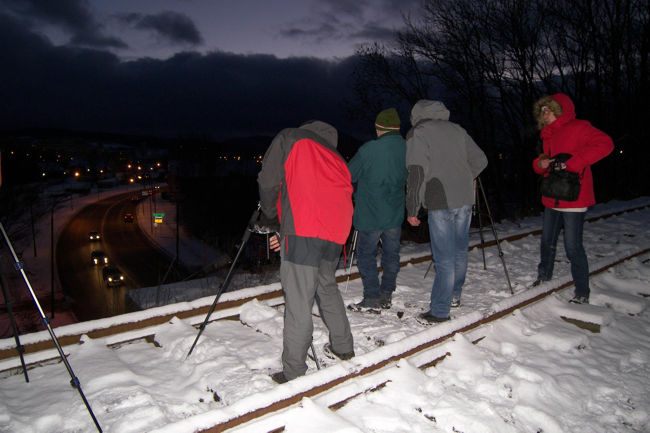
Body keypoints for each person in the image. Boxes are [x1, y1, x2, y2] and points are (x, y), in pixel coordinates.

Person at [257, 120, 355, 383]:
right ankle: (344, 347)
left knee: (299, 299)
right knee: (326, 286)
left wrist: (270, 218)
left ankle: (294, 371)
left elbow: (268, 180)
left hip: (304, 229)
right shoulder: (337, 158)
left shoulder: (291, 137)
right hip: (336, 231)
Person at [405, 99, 487, 323]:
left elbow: (417, 172)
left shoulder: (418, 133)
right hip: (464, 198)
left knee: (444, 258)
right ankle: (454, 296)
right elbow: (481, 159)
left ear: (416, 115)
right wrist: (462, 177)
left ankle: (440, 311)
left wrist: (413, 207)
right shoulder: (457, 129)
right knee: (459, 250)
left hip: (440, 199)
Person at [532, 93, 613, 304]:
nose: (545, 114)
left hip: (573, 197)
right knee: (547, 242)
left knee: (572, 246)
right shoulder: (546, 134)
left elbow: (605, 144)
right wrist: (539, 165)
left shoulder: (579, 127)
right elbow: (542, 163)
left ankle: (582, 291)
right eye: (542, 111)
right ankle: (544, 276)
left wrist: (574, 163)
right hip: (552, 196)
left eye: (548, 110)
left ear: (559, 110)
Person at [347, 108, 407, 312]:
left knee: (366, 254)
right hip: (394, 213)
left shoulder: (369, 149)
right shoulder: (407, 148)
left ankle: (372, 297)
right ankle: (387, 293)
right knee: (392, 254)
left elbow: (348, 174)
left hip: (370, 214)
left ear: (379, 128)